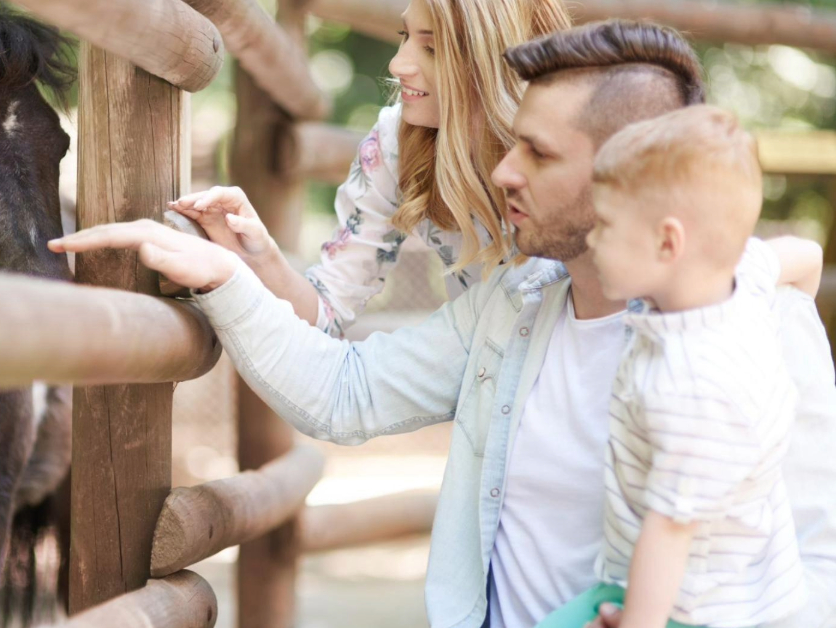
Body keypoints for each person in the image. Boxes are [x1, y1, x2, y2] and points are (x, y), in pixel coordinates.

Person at [50, 20, 836, 628]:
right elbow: (344, 394)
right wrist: (223, 276)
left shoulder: (752, 332)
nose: (502, 173)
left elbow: (813, 557)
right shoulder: (517, 304)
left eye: (536, 153)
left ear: (624, 174)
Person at [535, 105, 821, 628]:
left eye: (606, 224)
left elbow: (670, 533)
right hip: (685, 579)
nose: (591, 239)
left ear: (669, 242)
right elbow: (808, 255)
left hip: (692, 607)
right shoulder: (743, 280)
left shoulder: (693, 386)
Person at [171, 0, 572, 338]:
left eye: (431, 49)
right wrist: (258, 255)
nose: (398, 65)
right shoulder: (395, 144)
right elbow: (325, 313)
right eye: (405, 37)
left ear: (490, 58)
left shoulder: (577, 139)